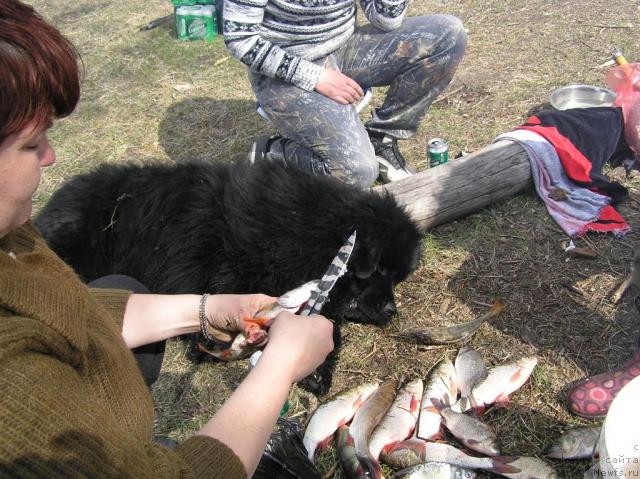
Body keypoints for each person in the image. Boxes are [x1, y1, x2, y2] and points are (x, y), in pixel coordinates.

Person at [0, 2, 334, 478]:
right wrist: (278, 367)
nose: (51, 157)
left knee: (122, 285)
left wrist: (204, 308)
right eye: (31, 144)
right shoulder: (14, 405)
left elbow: (64, 310)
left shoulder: (9, 235)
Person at [222, 0, 466, 186]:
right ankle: (274, 154)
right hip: (281, 69)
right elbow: (240, 39)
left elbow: (386, 20)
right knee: (356, 172)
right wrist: (314, 76)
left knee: (448, 34)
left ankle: (380, 139)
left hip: (344, 47)